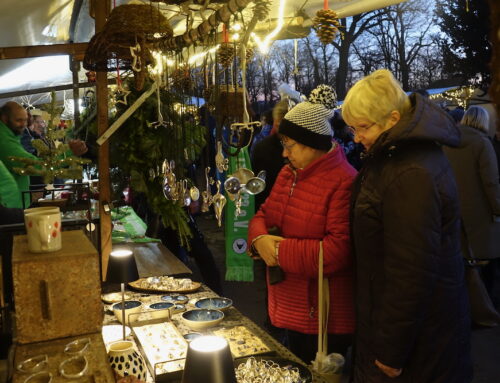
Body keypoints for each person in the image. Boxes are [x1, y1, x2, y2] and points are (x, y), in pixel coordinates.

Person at [342, 69, 472, 382]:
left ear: (392, 119)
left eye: (362, 127)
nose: (356, 137)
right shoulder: (397, 157)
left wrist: (391, 351)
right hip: (411, 329)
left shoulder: (410, 173)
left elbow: (410, 272)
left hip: (419, 343)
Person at [248, 85, 357, 363]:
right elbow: (263, 216)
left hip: (322, 317)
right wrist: (260, 240)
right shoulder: (289, 174)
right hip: (289, 306)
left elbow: (337, 252)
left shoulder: (344, 181)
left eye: (289, 145)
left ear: (312, 144)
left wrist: (278, 253)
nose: (284, 154)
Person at [443, 106, 500, 311]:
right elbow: (491, 182)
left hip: (456, 212)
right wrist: (497, 208)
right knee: (488, 267)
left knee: (464, 266)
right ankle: (487, 309)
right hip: (482, 215)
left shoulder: (449, 142)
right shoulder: (483, 143)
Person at [0, 101, 87, 208]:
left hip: (14, 204)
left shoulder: (10, 136)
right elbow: (33, 165)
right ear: (4, 118)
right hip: (9, 207)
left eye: (25, 120)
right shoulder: (4, 141)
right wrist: (68, 153)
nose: (23, 124)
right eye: (18, 120)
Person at [251, 99, 289, 210]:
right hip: (269, 209)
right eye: (277, 125)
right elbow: (258, 187)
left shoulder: (305, 150)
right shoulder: (262, 148)